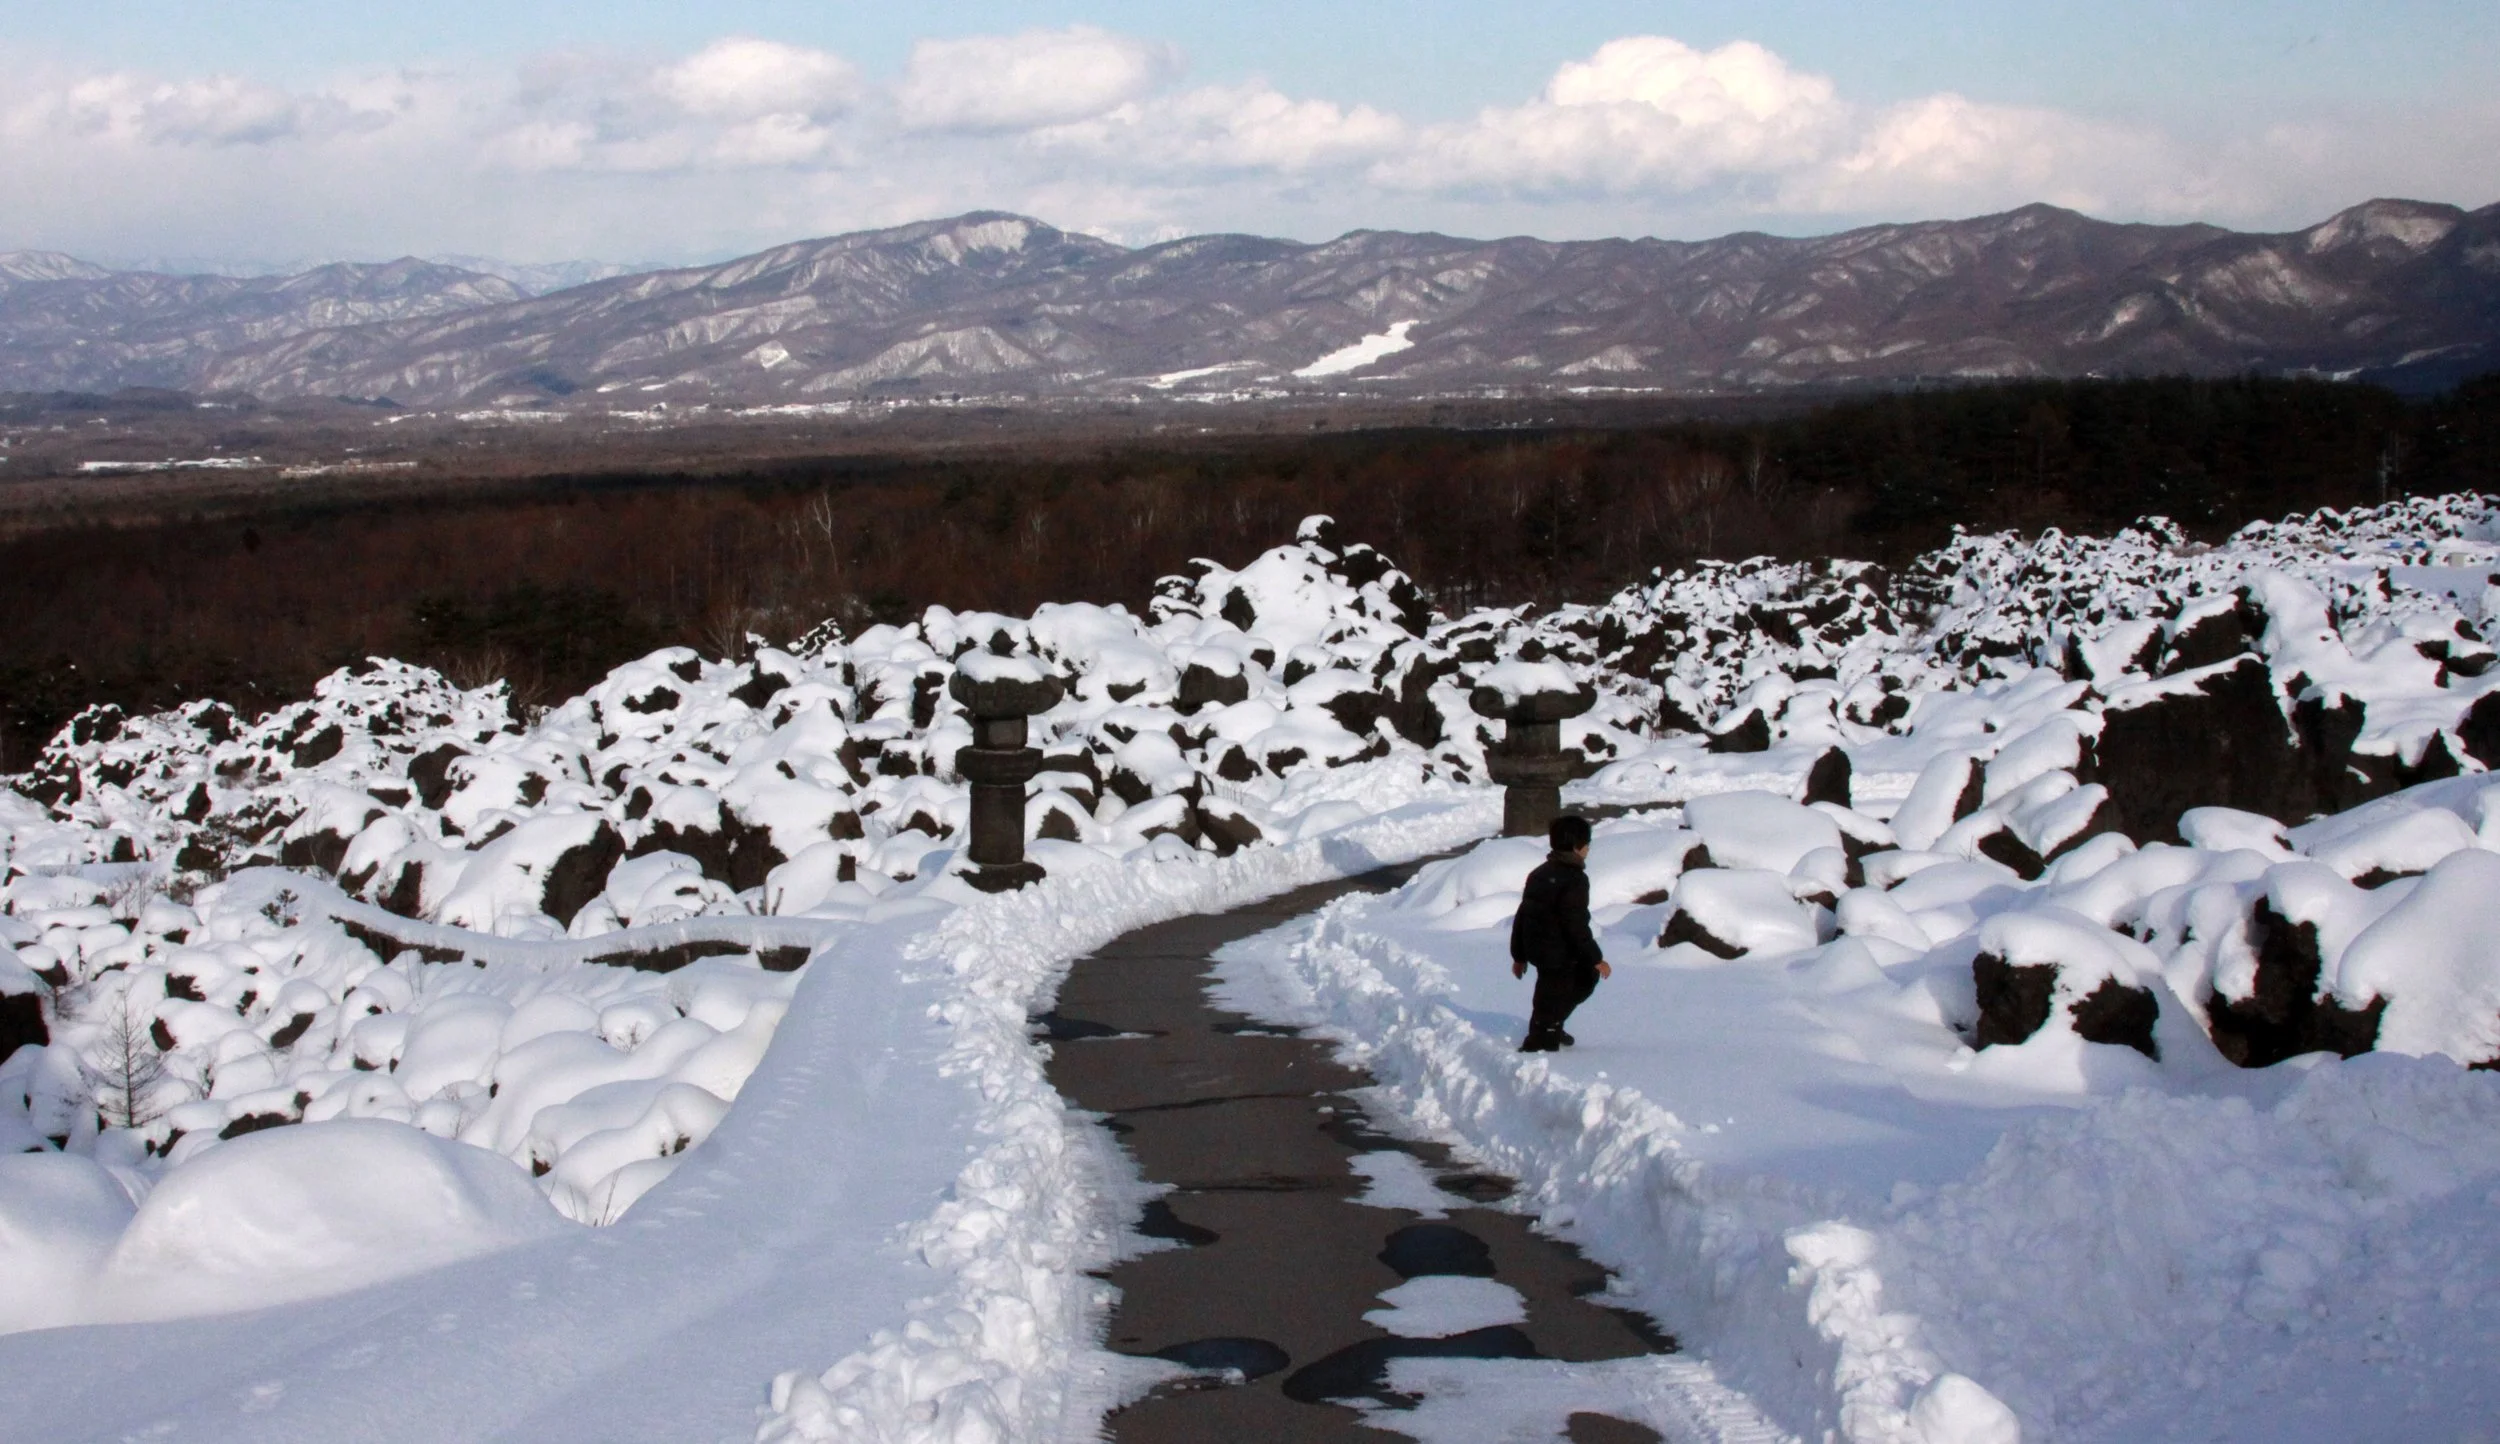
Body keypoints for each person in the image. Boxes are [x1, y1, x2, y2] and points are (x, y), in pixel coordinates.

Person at [1509, 813, 1611, 1052]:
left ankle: (1551, 1025)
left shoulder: (1540, 873)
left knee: (1573, 982)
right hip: (1559, 951)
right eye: (1587, 844)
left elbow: (1523, 914)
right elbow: (1575, 923)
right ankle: (1540, 1040)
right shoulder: (1575, 879)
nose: (1588, 849)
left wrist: (1519, 955)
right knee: (1555, 991)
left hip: (1541, 947)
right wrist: (1596, 958)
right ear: (1576, 848)